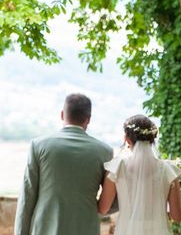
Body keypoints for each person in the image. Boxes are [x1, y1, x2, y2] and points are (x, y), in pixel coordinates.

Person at [14, 93, 113, 235]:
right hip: (85, 228)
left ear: (62, 114)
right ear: (88, 119)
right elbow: (110, 199)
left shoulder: (38, 146)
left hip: (44, 229)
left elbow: (27, 196)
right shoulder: (105, 152)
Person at [98, 114, 181, 235]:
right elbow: (177, 216)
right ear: (153, 138)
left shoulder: (117, 167)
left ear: (126, 139)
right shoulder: (168, 170)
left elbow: (103, 208)